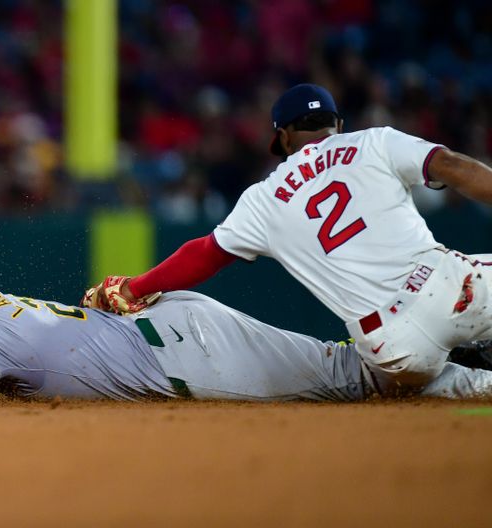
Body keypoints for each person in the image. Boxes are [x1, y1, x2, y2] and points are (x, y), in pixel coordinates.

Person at [82, 83, 492, 397]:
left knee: (397, 381)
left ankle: (470, 378)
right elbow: (450, 165)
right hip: (449, 285)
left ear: (281, 138)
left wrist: (132, 287)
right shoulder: (373, 141)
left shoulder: (263, 198)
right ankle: (470, 346)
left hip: (394, 346)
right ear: (338, 125)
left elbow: (204, 255)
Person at [0, 233, 492, 407]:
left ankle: (477, 363)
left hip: (191, 352)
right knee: (343, 367)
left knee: (359, 379)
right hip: (164, 331)